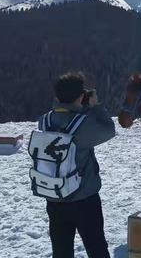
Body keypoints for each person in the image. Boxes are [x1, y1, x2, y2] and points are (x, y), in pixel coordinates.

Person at [39, 72, 116, 258]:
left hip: (55, 197)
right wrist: (94, 106)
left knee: (61, 250)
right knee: (96, 247)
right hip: (84, 199)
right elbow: (108, 130)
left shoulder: (45, 121)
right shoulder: (83, 125)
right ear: (81, 97)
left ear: (56, 97)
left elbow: (61, 116)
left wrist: (74, 105)